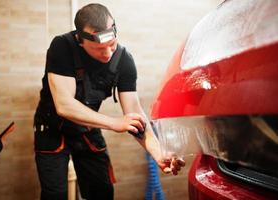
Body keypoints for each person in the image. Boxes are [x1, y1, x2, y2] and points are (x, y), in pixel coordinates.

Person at [34, 3, 185, 200]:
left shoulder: (123, 60)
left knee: (102, 191)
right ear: (80, 40)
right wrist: (114, 123)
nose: (107, 54)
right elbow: (64, 105)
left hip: (87, 129)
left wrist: (159, 154)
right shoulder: (62, 47)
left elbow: (134, 113)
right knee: (55, 194)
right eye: (98, 49)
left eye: (111, 45)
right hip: (52, 129)